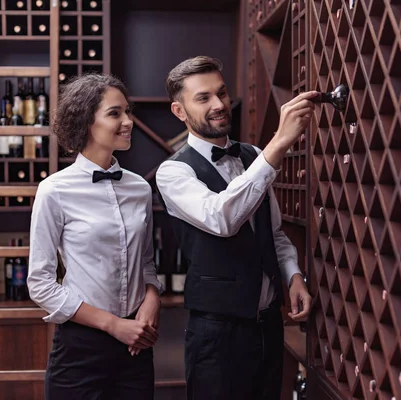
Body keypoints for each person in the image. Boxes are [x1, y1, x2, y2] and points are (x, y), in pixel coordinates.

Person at [156, 56, 315, 400]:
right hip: (217, 334)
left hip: (269, 326)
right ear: (179, 111)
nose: (218, 105)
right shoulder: (173, 173)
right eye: (203, 98)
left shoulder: (252, 156)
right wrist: (278, 145)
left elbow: (272, 233)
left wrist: (293, 276)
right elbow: (221, 218)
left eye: (222, 93)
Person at [27, 73, 163, 399]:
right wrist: (114, 325)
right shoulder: (54, 191)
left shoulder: (139, 188)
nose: (128, 121)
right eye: (115, 113)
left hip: (136, 346)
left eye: (127, 112)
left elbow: (144, 262)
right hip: (81, 347)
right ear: (87, 122)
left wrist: (152, 298)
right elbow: (40, 284)